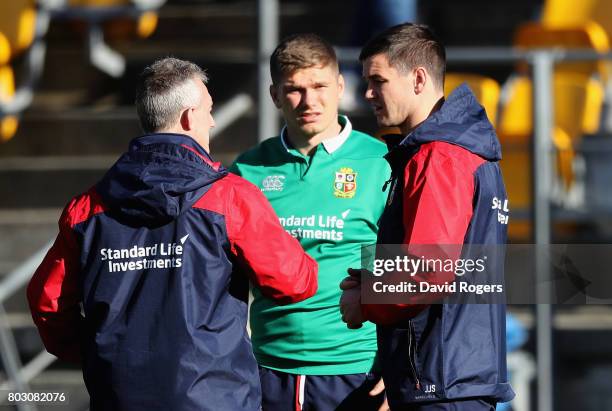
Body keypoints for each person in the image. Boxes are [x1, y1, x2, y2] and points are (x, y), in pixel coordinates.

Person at [27, 57, 318, 411]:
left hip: (119, 395)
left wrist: (99, 352)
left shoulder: (86, 207)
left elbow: (48, 302)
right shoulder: (229, 197)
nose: (212, 120)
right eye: (209, 109)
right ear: (188, 117)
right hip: (215, 396)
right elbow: (294, 281)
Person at [340, 23, 515, 410]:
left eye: (378, 80)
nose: (367, 93)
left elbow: (427, 271)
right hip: (452, 376)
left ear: (418, 79)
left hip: (441, 383)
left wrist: (365, 299)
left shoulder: (439, 157)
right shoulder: (464, 152)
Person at [230, 34, 390, 410]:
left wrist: (401, 363)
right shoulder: (247, 170)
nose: (309, 101)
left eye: (319, 86)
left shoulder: (381, 161)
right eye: (294, 90)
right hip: (267, 369)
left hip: (356, 369)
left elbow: (410, 266)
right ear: (274, 95)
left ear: (339, 87)